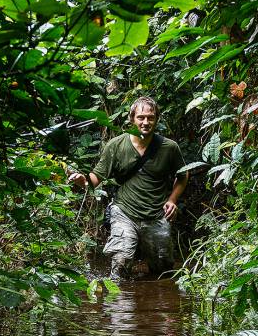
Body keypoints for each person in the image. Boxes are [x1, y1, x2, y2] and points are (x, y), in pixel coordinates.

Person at [68, 96, 188, 278]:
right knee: (120, 263)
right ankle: (118, 304)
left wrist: (172, 200)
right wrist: (82, 181)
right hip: (124, 212)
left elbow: (183, 174)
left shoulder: (169, 147)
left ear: (157, 119)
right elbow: (95, 178)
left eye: (150, 117)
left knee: (163, 271)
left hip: (156, 214)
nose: (145, 122)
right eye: (141, 117)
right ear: (132, 119)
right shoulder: (116, 145)